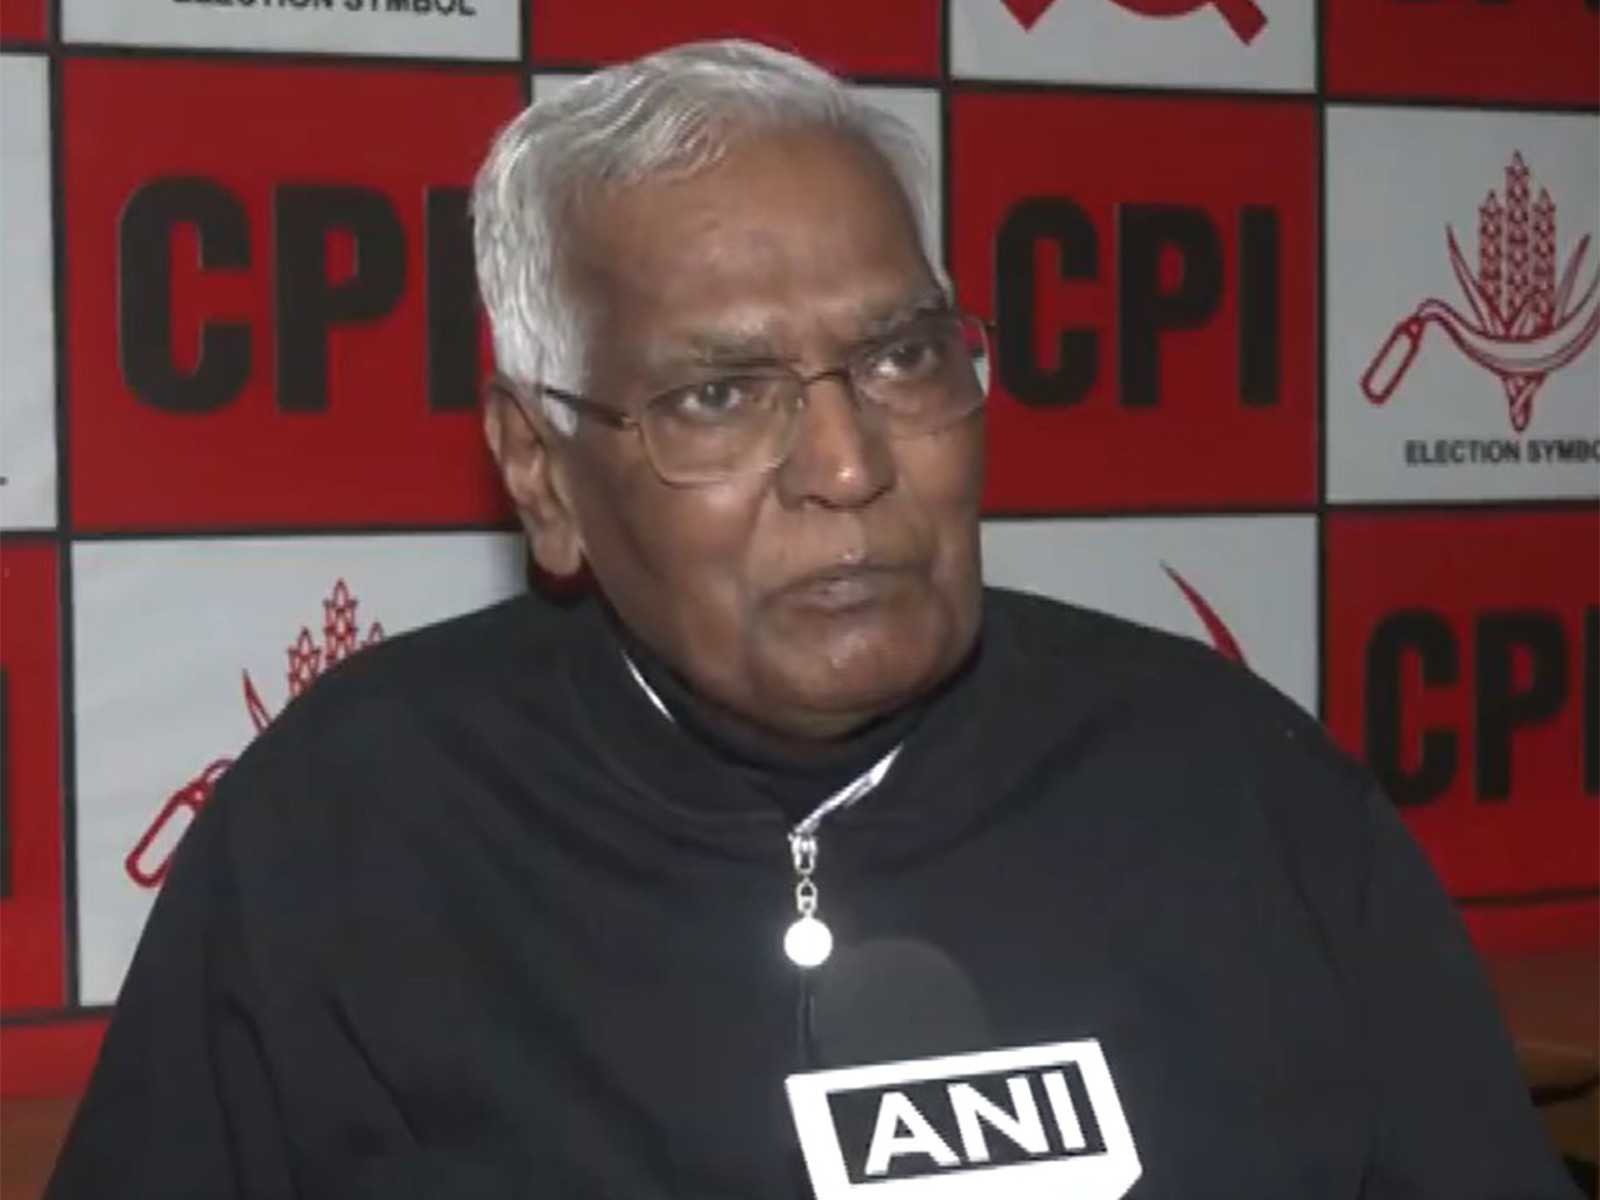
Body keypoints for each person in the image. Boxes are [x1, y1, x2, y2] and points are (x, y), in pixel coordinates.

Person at [46, 38, 1580, 1200]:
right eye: (720, 394)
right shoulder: (345, 837)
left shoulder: (1246, 797)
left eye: (904, 358)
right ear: (543, 471)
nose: (849, 466)